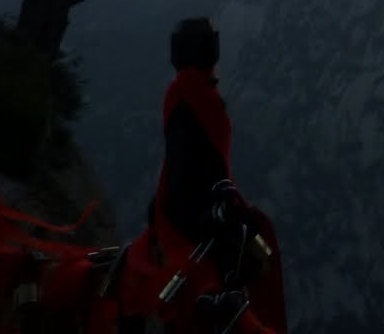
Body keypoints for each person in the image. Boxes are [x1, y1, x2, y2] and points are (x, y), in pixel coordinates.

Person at [119, 18, 286, 333]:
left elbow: (182, 165)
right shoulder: (196, 95)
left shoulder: (183, 93)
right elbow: (195, 166)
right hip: (198, 222)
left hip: (191, 213)